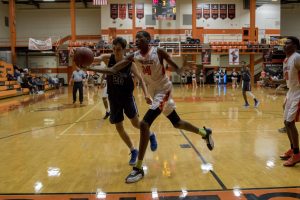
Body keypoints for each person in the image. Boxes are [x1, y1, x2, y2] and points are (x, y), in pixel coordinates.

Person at [94, 31, 214, 183]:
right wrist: (90, 69)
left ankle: (138, 168)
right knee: (177, 122)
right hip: (154, 92)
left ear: (148, 40)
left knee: (144, 124)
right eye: (135, 39)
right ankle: (205, 132)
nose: (137, 41)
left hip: (164, 90)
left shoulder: (158, 51)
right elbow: (112, 70)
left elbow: (175, 68)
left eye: (140, 38)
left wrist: (181, 68)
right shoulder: (134, 56)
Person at [89, 37, 158, 166]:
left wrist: (146, 94)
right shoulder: (107, 57)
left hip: (127, 97)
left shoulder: (129, 63)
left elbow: (141, 79)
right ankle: (133, 150)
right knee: (119, 127)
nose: (116, 52)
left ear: (124, 49)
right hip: (113, 97)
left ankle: (151, 134)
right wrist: (80, 60)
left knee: (136, 124)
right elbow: (94, 59)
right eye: (114, 49)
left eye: (119, 49)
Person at [269, 36, 300, 166]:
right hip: (290, 92)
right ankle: (293, 150)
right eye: (284, 43)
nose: (284, 45)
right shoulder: (286, 60)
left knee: (289, 123)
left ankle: (297, 154)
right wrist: (275, 81)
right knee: (286, 123)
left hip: (298, 92)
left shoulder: (297, 57)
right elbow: (287, 80)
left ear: (295, 46)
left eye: (287, 43)